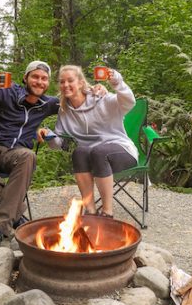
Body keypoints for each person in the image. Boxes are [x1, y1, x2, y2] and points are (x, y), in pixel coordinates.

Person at [0, 61, 58, 256]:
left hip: (17, 153)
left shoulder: (48, 104)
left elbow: (78, 103)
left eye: (44, 78)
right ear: (25, 78)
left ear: (48, 83)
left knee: (28, 156)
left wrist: (95, 90)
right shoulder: (5, 91)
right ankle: (15, 215)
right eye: (35, 76)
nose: (39, 81)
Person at [39, 65, 137, 218]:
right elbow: (58, 143)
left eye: (70, 80)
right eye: (62, 82)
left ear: (80, 83)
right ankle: (90, 211)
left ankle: (107, 213)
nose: (65, 85)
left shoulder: (101, 98)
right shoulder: (64, 111)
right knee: (79, 152)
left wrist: (117, 82)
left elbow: (129, 103)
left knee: (99, 152)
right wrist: (49, 135)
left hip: (122, 152)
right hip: (91, 157)